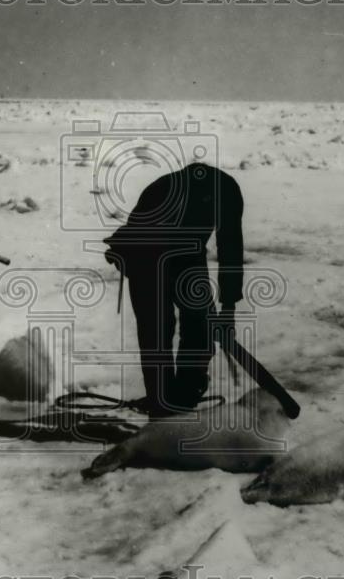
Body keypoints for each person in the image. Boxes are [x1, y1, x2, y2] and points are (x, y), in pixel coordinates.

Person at [103, 162, 244, 417]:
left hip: (180, 253)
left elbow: (230, 249)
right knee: (164, 330)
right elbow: (229, 250)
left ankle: (178, 398)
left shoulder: (223, 192)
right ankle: (166, 405)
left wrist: (227, 309)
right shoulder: (174, 190)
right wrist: (227, 310)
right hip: (146, 253)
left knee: (192, 328)